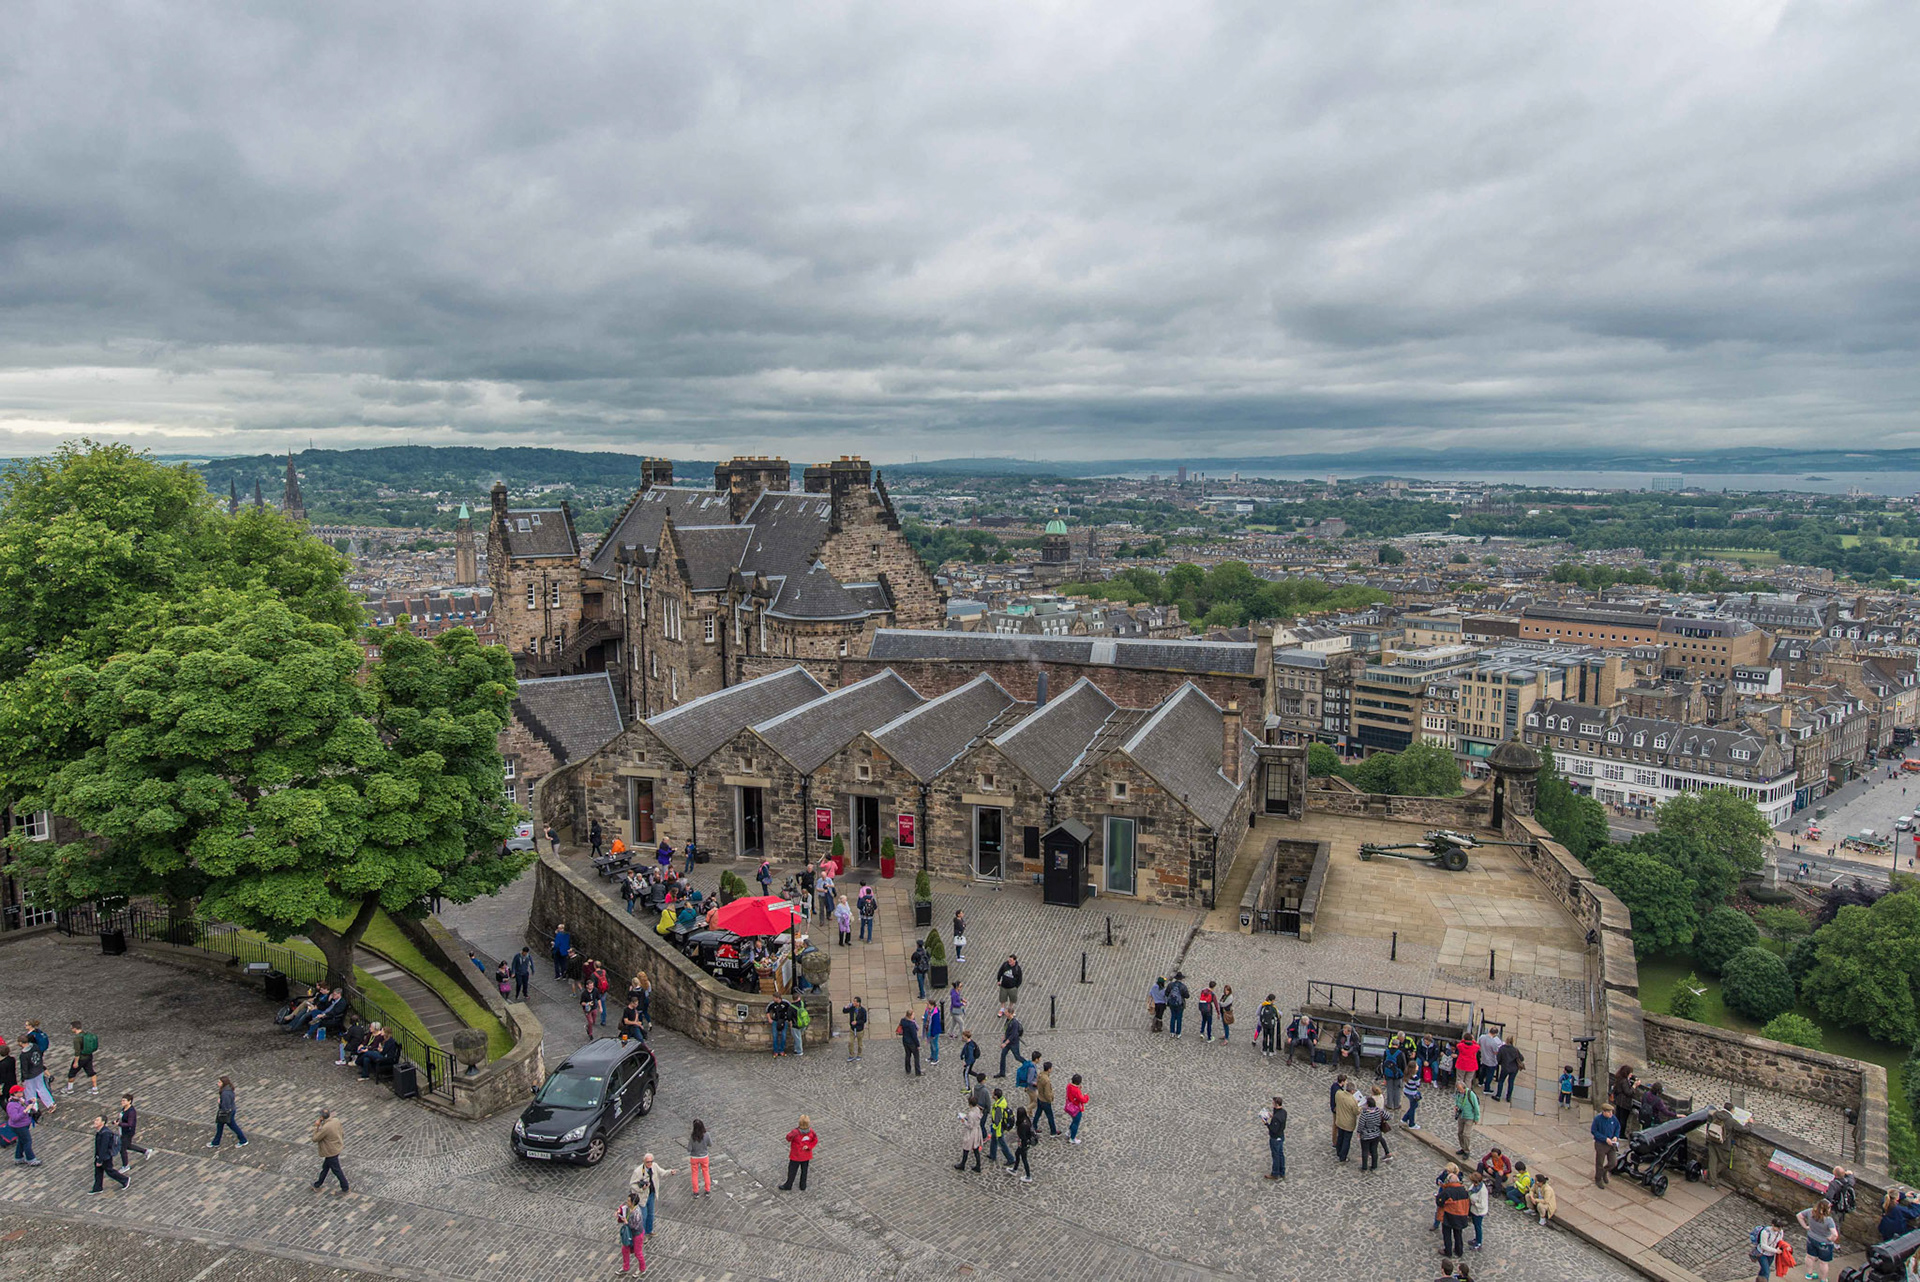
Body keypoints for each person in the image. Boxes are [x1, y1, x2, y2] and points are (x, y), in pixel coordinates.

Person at [631, 1153, 673, 1236]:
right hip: (642, 1197)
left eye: (651, 1161)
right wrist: (641, 1188)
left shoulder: (654, 1166)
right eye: (648, 1162)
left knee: (651, 1214)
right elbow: (632, 1184)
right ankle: (641, 1235)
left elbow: (662, 1173)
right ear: (644, 1161)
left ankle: (649, 1230)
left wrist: (670, 1172)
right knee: (643, 1216)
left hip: (651, 1195)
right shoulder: (638, 1171)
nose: (650, 1163)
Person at [1798, 1197, 1838, 1282]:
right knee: (1823, 1262)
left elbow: (1799, 1216)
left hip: (1811, 1238)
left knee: (1810, 1257)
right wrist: (1831, 1239)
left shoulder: (1810, 1212)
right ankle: (1823, 1279)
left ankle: (1809, 1274)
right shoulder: (1828, 1220)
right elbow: (1835, 1234)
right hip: (1824, 1243)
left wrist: (1805, 1226)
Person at [1437, 1166, 1472, 1260]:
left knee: (1447, 1234)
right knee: (1458, 1234)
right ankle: (1459, 1251)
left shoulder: (1448, 1191)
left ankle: (1448, 1251)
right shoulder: (1464, 1191)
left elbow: (1439, 1202)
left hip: (1449, 1216)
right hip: (1461, 1215)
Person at [18, 1022, 54, 1113]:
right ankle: (50, 1104)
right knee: (41, 1088)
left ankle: (33, 1109)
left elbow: (24, 1068)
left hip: (30, 1075)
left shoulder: (23, 1054)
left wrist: (23, 1079)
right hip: (39, 1070)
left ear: (21, 1043)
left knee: (30, 1092)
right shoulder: (35, 1046)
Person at [310, 1107, 348, 1194]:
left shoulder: (326, 1127)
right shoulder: (336, 1120)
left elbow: (315, 1138)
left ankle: (345, 1187)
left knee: (336, 1170)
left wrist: (316, 1126)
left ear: (322, 1117)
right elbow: (342, 1132)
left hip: (330, 1151)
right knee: (325, 1167)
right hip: (336, 1147)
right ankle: (317, 1184)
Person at [90, 1114, 129, 1194]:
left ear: (103, 1122)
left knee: (110, 1171)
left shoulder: (105, 1133)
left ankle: (125, 1179)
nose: (95, 1122)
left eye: (97, 1120)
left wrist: (100, 1160)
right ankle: (97, 1188)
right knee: (98, 1172)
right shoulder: (100, 1131)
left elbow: (104, 1147)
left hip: (105, 1157)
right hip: (100, 1156)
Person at [208, 1076, 248, 1148]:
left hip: (227, 1113)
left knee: (232, 1126)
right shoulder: (229, 1089)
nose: (218, 1083)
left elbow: (225, 1106)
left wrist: (220, 1102)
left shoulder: (225, 1093)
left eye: (219, 1082)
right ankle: (215, 1142)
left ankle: (243, 1140)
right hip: (230, 1110)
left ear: (223, 1083)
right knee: (220, 1126)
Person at [780, 1116, 817, 1191]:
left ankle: (788, 1185)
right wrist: (809, 1146)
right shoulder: (811, 1131)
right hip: (806, 1155)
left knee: (792, 1171)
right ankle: (803, 1185)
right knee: (804, 1171)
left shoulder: (795, 1132)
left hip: (796, 1156)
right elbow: (815, 1140)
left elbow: (788, 1138)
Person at [1592, 1102, 1622, 1187]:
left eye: (1611, 1112)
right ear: (1604, 1112)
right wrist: (1605, 1139)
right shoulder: (1597, 1119)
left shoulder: (1613, 1118)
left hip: (1611, 1144)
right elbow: (1594, 1131)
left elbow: (1618, 1127)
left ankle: (1604, 1172)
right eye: (1609, 1112)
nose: (1611, 1114)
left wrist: (1616, 1136)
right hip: (1601, 1144)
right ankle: (1598, 1179)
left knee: (1613, 1162)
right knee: (1599, 1163)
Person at [6, 1087, 38, 1165]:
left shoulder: (20, 1100)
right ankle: (31, 1159)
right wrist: (25, 1110)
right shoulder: (11, 1105)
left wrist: (30, 1101)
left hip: (24, 1125)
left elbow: (24, 1104)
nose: (22, 1093)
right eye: (20, 1092)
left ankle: (18, 1158)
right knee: (27, 1141)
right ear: (14, 1094)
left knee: (21, 1141)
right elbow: (15, 1118)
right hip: (19, 1127)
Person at [67, 1021, 99, 1096]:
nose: (71, 1029)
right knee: (91, 1072)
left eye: (71, 1028)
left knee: (72, 1073)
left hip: (81, 1058)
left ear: (75, 1028)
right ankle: (95, 1089)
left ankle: (69, 1089)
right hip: (89, 1056)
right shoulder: (86, 1035)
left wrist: (76, 1062)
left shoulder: (77, 1039)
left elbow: (77, 1052)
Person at [617, 1190, 645, 1274]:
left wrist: (626, 1222)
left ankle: (642, 1269)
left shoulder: (637, 1213)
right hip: (630, 1233)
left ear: (633, 1203)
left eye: (628, 1201)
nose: (627, 1202)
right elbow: (622, 1207)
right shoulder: (629, 1207)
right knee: (625, 1250)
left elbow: (635, 1226)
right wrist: (618, 1211)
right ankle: (625, 1267)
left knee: (638, 1253)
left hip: (637, 1235)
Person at [1332, 1078, 1360, 1162]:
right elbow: (1356, 1112)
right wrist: (1360, 1107)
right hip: (1348, 1124)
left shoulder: (1338, 1094)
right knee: (1346, 1140)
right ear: (1352, 1091)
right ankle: (1343, 1157)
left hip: (1340, 1120)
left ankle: (1338, 1152)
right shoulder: (1353, 1101)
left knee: (1340, 1137)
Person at [115, 1094, 148, 1166]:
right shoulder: (124, 1109)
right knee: (128, 1145)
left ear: (129, 1101)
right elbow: (121, 1117)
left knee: (122, 1148)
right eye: (122, 1100)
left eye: (124, 1101)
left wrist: (119, 1124)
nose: (122, 1102)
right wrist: (116, 1121)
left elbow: (130, 1124)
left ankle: (125, 1165)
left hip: (128, 1132)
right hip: (123, 1130)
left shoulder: (131, 1112)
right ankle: (145, 1151)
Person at [955, 1093, 984, 1172]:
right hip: (977, 1131)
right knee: (976, 1149)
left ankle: (962, 1164)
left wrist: (964, 1121)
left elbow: (970, 1125)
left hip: (972, 1133)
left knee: (966, 1148)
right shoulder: (978, 1109)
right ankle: (978, 1165)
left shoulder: (971, 1114)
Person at [986, 1088, 1015, 1167]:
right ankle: (992, 1154)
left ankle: (1010, 1159)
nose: (992, 1094)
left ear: (996, 1096)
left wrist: (994, 1126)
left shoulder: (998, 1107)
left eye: (993, 1093)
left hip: (998, 1128)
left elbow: (997, 1120)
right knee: (993, 1139)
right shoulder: (1002, 1101)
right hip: (999, 1126)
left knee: (1002, 1143)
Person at [1825, 1166, 1857, 1236]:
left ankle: (1834, 1240)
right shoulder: (1848, 1181)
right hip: (1843, 1208)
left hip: (1835, 1208)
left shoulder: (1833, 1184)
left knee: (1834, 1226)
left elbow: (1829, 1197)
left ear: (1834, 1174)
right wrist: (1850, 1174)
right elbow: (1852, 1179)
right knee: (1839, 1223)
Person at [1261, 1095, 1287, 1180]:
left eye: (1273, 1103)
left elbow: (1273, 1129)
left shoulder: (1276, 1117)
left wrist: (1266, 1123)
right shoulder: (1284, 1112)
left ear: (1276, 1104)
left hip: (1275, 1138)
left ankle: (1275, 1173)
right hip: (1281, 1136)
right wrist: (1272, 1116)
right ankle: (1282, 1171)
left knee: (1275, 1156)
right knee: (1280, 1154)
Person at [1753, 1216, 1787, 1282]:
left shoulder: (1780, 1232)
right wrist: (1775, 1250)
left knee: (1763, 1270)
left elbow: (1780, 1241)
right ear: (1772, 1225)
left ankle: (1758, 1280)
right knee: (1767, 1271)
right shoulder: (1765, 1232)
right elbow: (1763, 1246)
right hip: (1762, 1254)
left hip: (1771, 1255)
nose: (1779, 1229)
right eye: (1777, 1227)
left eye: (1780, 1227)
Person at [1454, 1081, 1481, 1160]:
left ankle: (1467, 1151)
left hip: (1469, 1117)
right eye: (1458, 1089)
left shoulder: (1470, 1094)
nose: (1460, 1091)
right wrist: (1456, 1106)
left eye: (1461, 1089)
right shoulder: (1458, 1093)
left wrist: (1476, 1118)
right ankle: (1463, 1147)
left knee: (1466, 1134)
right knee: (1460, 1133)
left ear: (1464, 1088)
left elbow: (1476, 1106)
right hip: (1461, 1116)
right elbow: (1457, 1101)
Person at [1357, 1093, 1384, 1172]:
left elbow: (1361, 1125)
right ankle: (1374, 1166)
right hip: (1376, 1134)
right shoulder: (1379, 1111)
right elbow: (1388, 1116)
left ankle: (1364, 1167)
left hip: (1366, 1135)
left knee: (1365, 1151)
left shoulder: (1365, 1114)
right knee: (1374, 1150)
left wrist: (1358, 1133)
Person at [1008, 1105, 1035, 1182]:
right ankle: (1015, 1169)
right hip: (1025, 1143)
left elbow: (1023, 1137)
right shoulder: (1027, 1119)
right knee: (1017, 1154)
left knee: (1024, 1158)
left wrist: (1021, 1144)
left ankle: (1028, 1176)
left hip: (1024, 1144)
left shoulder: (1022, 1125)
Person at [996, 1011, 1024, 1078]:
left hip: (1013, 1043)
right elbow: (1006, 1030)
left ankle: (1028, 1065)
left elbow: (1013, 1035)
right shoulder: (1008, 1020)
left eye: (1006, 1012)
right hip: (1007, 1041)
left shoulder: (1014, 1022)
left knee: (1017, 1057)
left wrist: (1005, 1043)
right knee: (1003, 1055)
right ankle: (1002, 1073)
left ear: (1010, 1013)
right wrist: (1004, 1037)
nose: (1005, 1013)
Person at [688, 1121, 712, 1195]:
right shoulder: (707, 1135)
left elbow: (689, 1149)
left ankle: (696, 1191)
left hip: (694, 1157)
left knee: (694, 1174)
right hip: (704, 1157)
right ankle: (707, 1189)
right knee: (706, 1172)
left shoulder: (692, 1137)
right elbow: (710, 1144)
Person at [1467, 1172, 1489, 1252]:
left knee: (1478, 1227)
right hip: (1474, 1210)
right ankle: (1476, 1239)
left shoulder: (1482, 1191)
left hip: (1479, 1212)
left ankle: (1478, 1242)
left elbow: (1482, 1205)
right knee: (1475, 1225)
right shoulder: (1475, 1186)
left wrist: (1474, 1203)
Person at [1034, 1061, 1057, 1136]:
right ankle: (1053, 1131)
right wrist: (1050, 1099)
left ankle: (1033, 1126)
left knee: (1038, 1113)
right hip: (1045, 1101)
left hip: (1039, 1097)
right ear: (1049, 1069)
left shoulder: (1040, 1074)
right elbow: (1047, 1093)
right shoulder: (1046, 1080)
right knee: (1050, 1116)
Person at [1065, 1074, 1090, 1144]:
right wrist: (1086, 1096)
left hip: (1069, 1106)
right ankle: (1072, 1138)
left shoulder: (1069, 1086)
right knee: (1076, 1123)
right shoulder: (1076, 1090)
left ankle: (1069, 1132)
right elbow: (1083, 1100)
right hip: (1076, 1109)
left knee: (1074, 1121)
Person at [842, 996, 868, 1061]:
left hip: (859, 1030)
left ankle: (859, 1054)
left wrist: (857, 1022)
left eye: (855, 1001)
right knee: (850, 1042)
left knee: (860, 1044)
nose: (853, 1002)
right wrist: (846, 1007)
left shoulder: (863, 1010)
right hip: (852, 1029)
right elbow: (844, 1011)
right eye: (853, 1001)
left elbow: (864, 1020)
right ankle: (851, 1055)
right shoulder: (852, 1008)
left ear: (858, 1003)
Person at [1164, 972, 1188, 1037]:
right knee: (1179, 1018)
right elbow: (1187, 996)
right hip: (1180, 1004)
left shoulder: (1170, 985)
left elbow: (1166, 993)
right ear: (1181, 979)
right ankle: (1178, 1033)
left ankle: (1172, 1032)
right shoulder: (1183, 986)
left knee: (1173, 1017)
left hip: (1172, 1003)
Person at [923, 999, 944, 1065]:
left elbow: (936, 1024)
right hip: (928, 1030)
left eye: (928, 1004)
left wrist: (933, 1034)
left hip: (933, 1032)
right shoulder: (927, 1010)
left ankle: (935, 1058)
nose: (927, 1005)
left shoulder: (935, 1013)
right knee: (931, 1045)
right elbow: (926, 1017)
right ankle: (932, 1056)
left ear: (932, 1005)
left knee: (934, 1045)